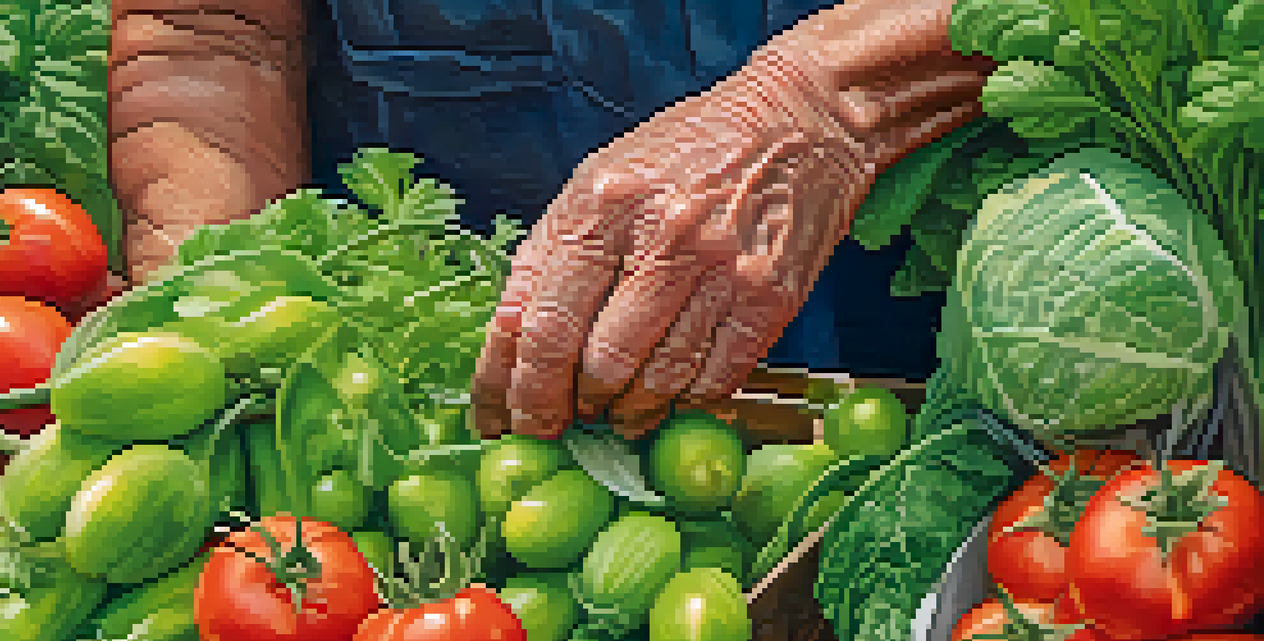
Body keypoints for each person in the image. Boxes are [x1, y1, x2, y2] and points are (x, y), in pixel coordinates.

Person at [109, 0, 993, 439]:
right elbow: (208, 31)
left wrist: (820, 102)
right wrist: (207, 325)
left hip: (979, 390)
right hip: (457, 444)